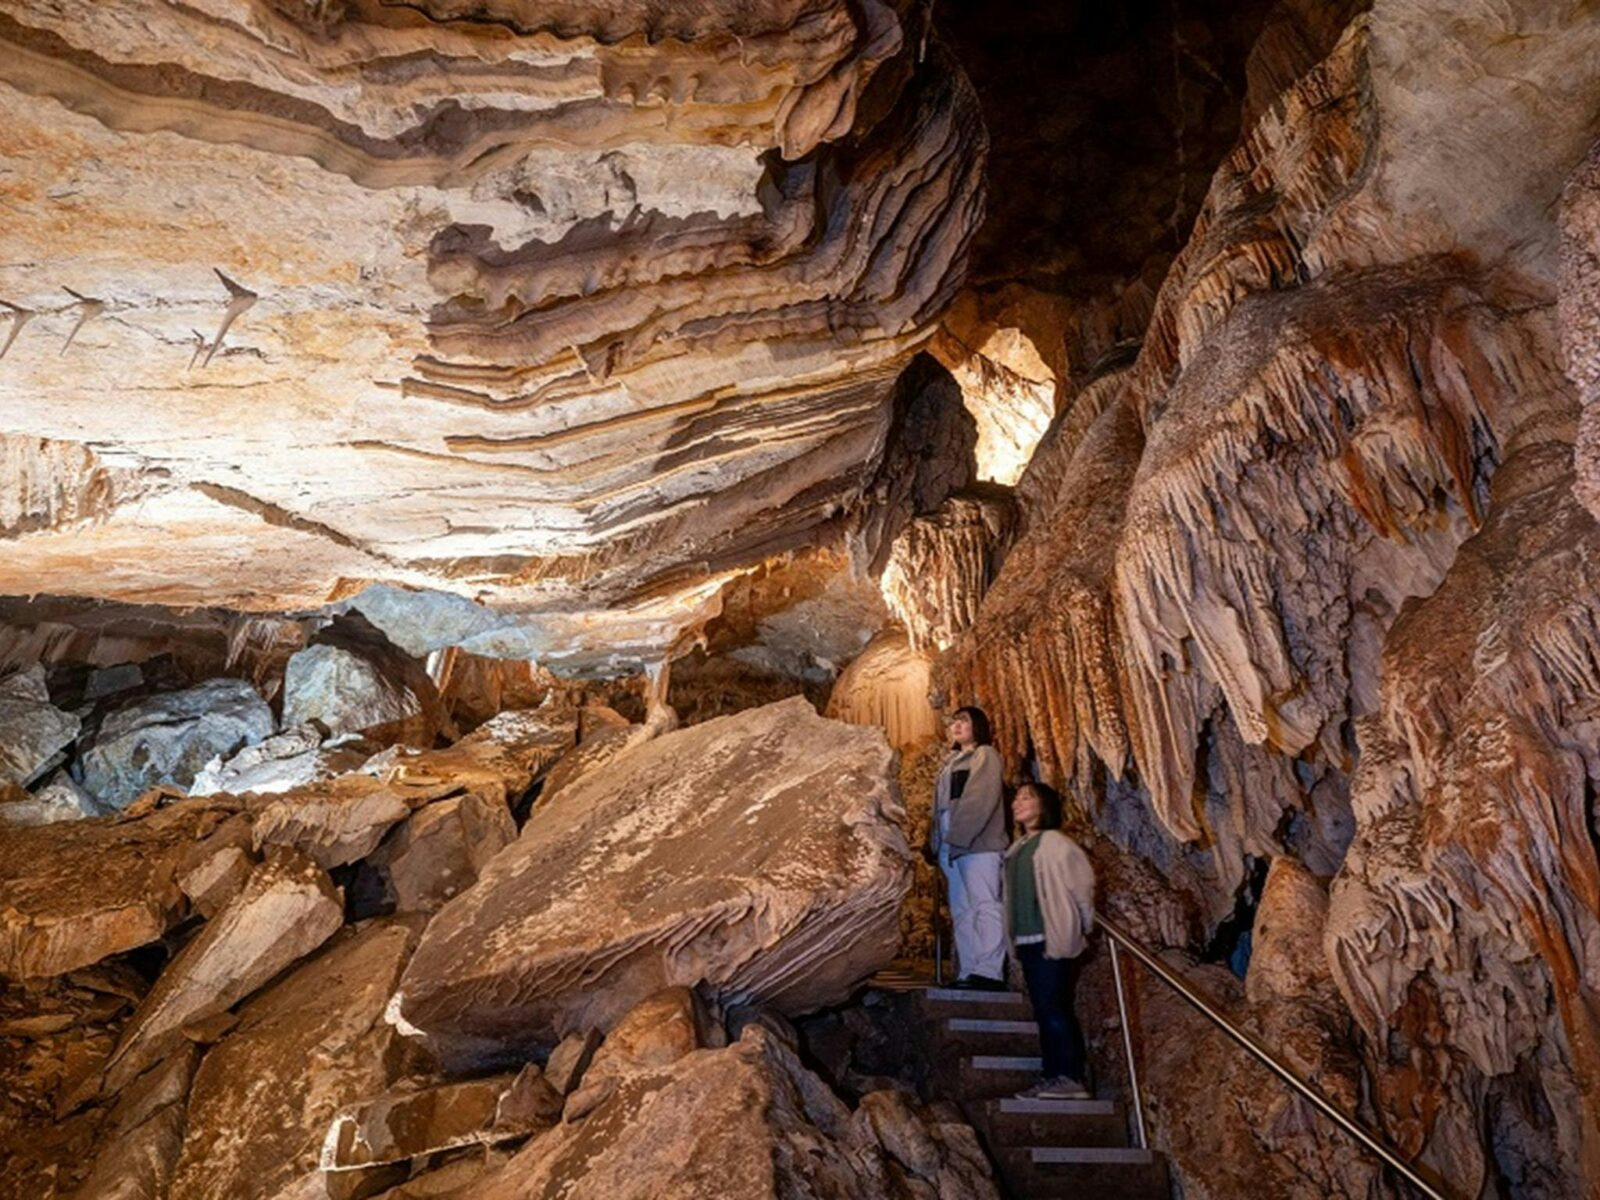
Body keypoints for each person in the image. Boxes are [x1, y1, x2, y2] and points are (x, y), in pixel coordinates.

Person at [1005, 780, 1095, 1099]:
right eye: (1016, 798)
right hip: (1028, 939)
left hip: (1051, 937)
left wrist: (1081, 927)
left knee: (1053, 1008)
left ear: (1044, 805)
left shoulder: (1057, 843)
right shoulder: (1016, 849)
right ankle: (1052, 1075)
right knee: (1044, 1010)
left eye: (1026, 798)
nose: (1018, 802)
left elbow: (1083, 888)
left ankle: (1069, 1076)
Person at [930, 705, 1008, 990]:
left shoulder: (985, 755)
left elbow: (979, 799)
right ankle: (968, 970)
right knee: (962, 909)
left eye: (964, 720)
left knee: (984, 904)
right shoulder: (951, 761)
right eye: (954, 722)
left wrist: (959, 839)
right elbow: (939, 810)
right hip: (952, 845)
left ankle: (989, 970)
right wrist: (938, 844)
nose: (957, 725)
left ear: (978, 725)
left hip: (978, 843)